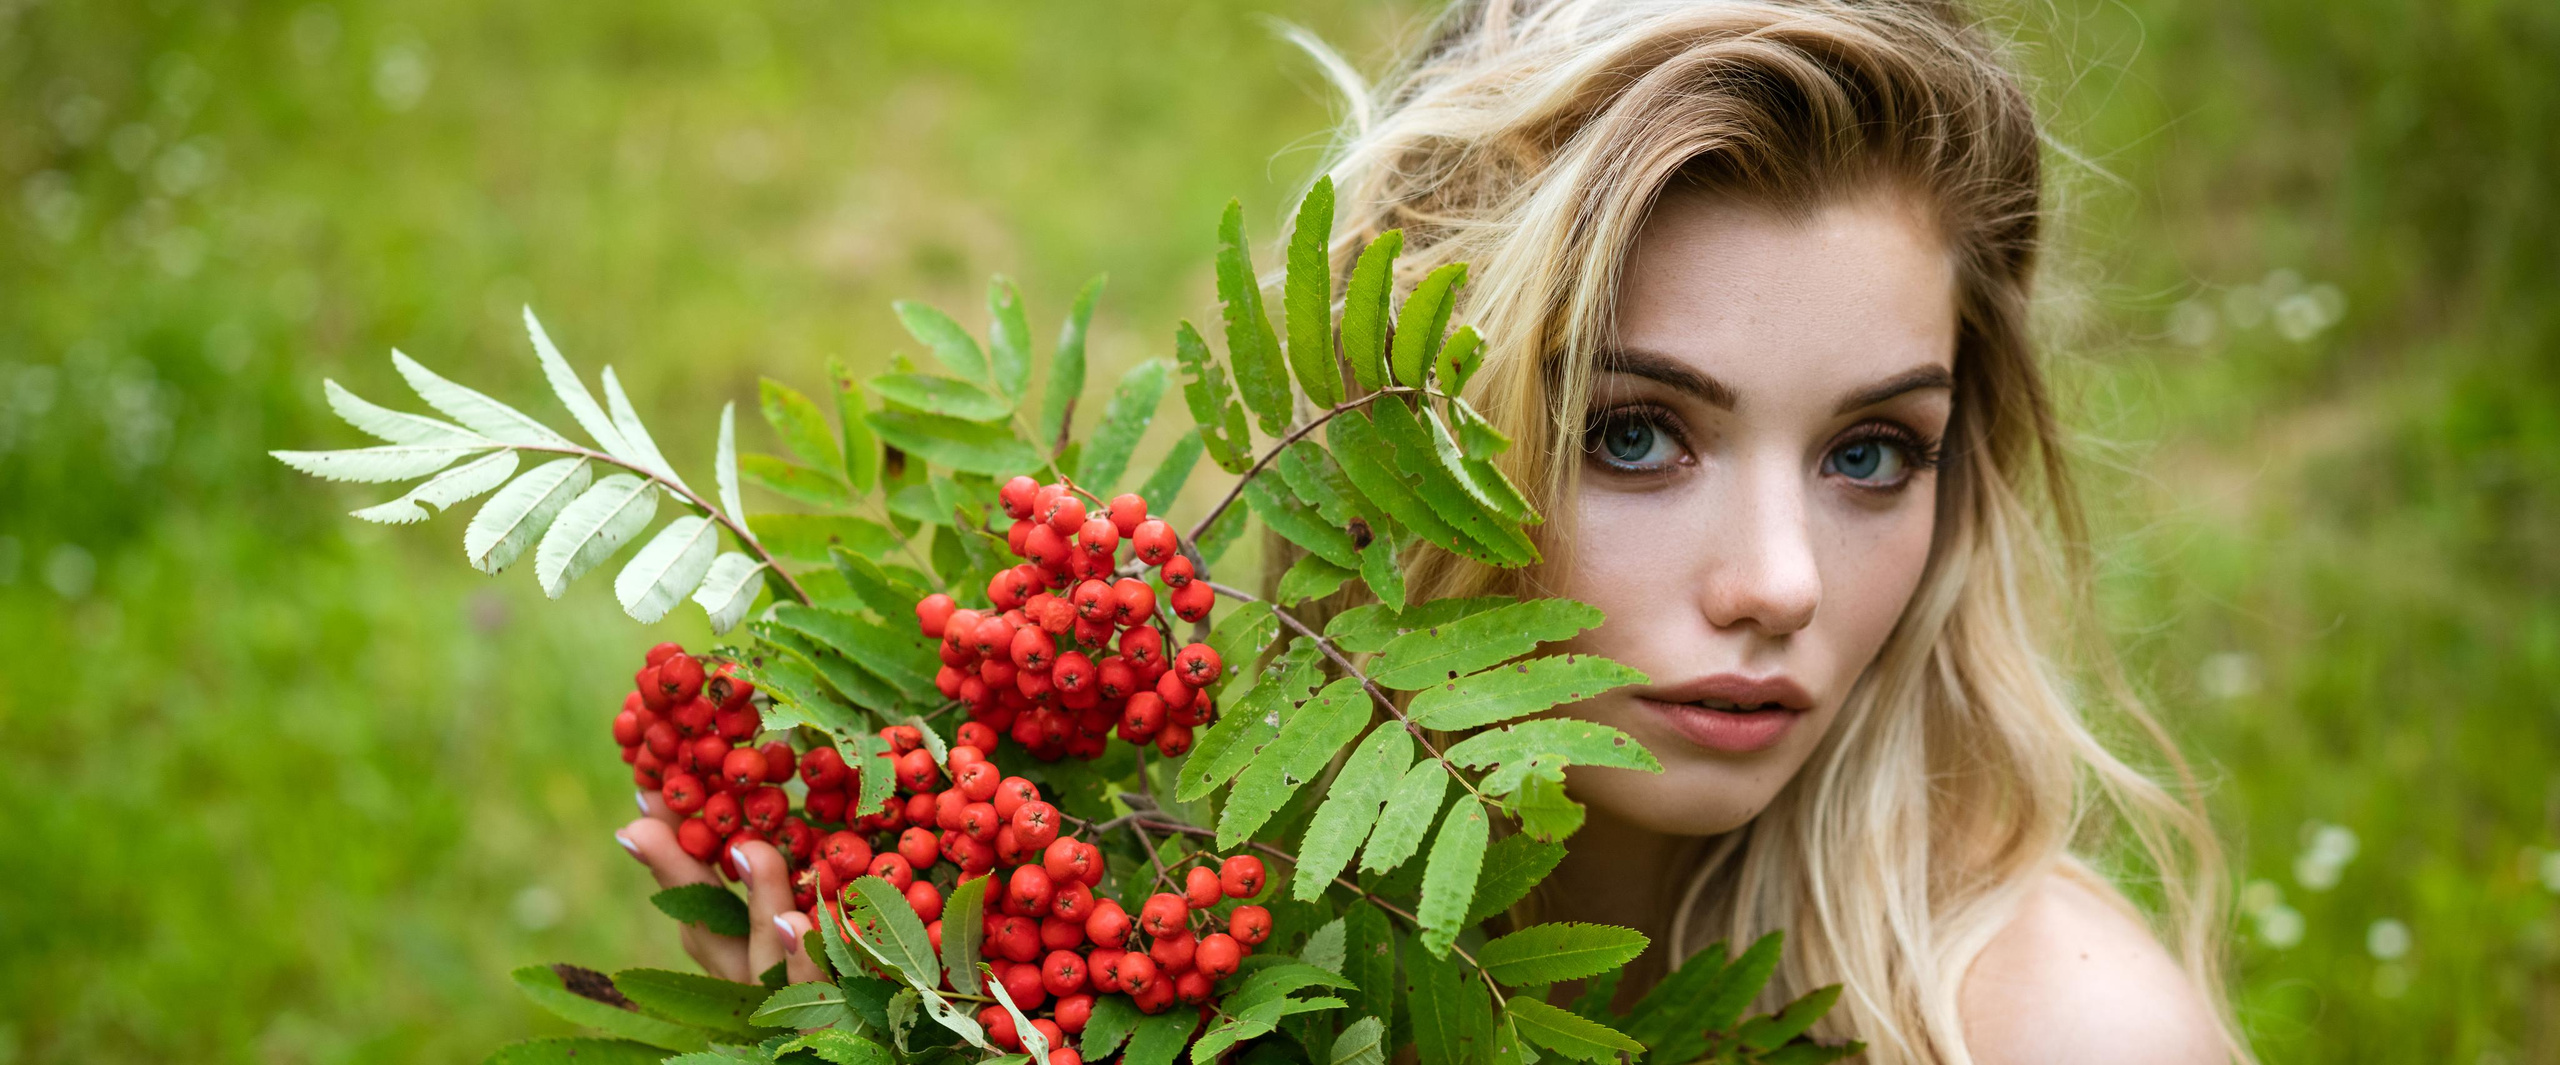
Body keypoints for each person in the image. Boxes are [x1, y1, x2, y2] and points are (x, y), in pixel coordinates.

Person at [619, 1, 2244, 1061]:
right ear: (1401, 430)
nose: (1778, 583)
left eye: (1874, 453)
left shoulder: (2051, 1031)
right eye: (1634, 433)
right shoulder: (1195, 929)